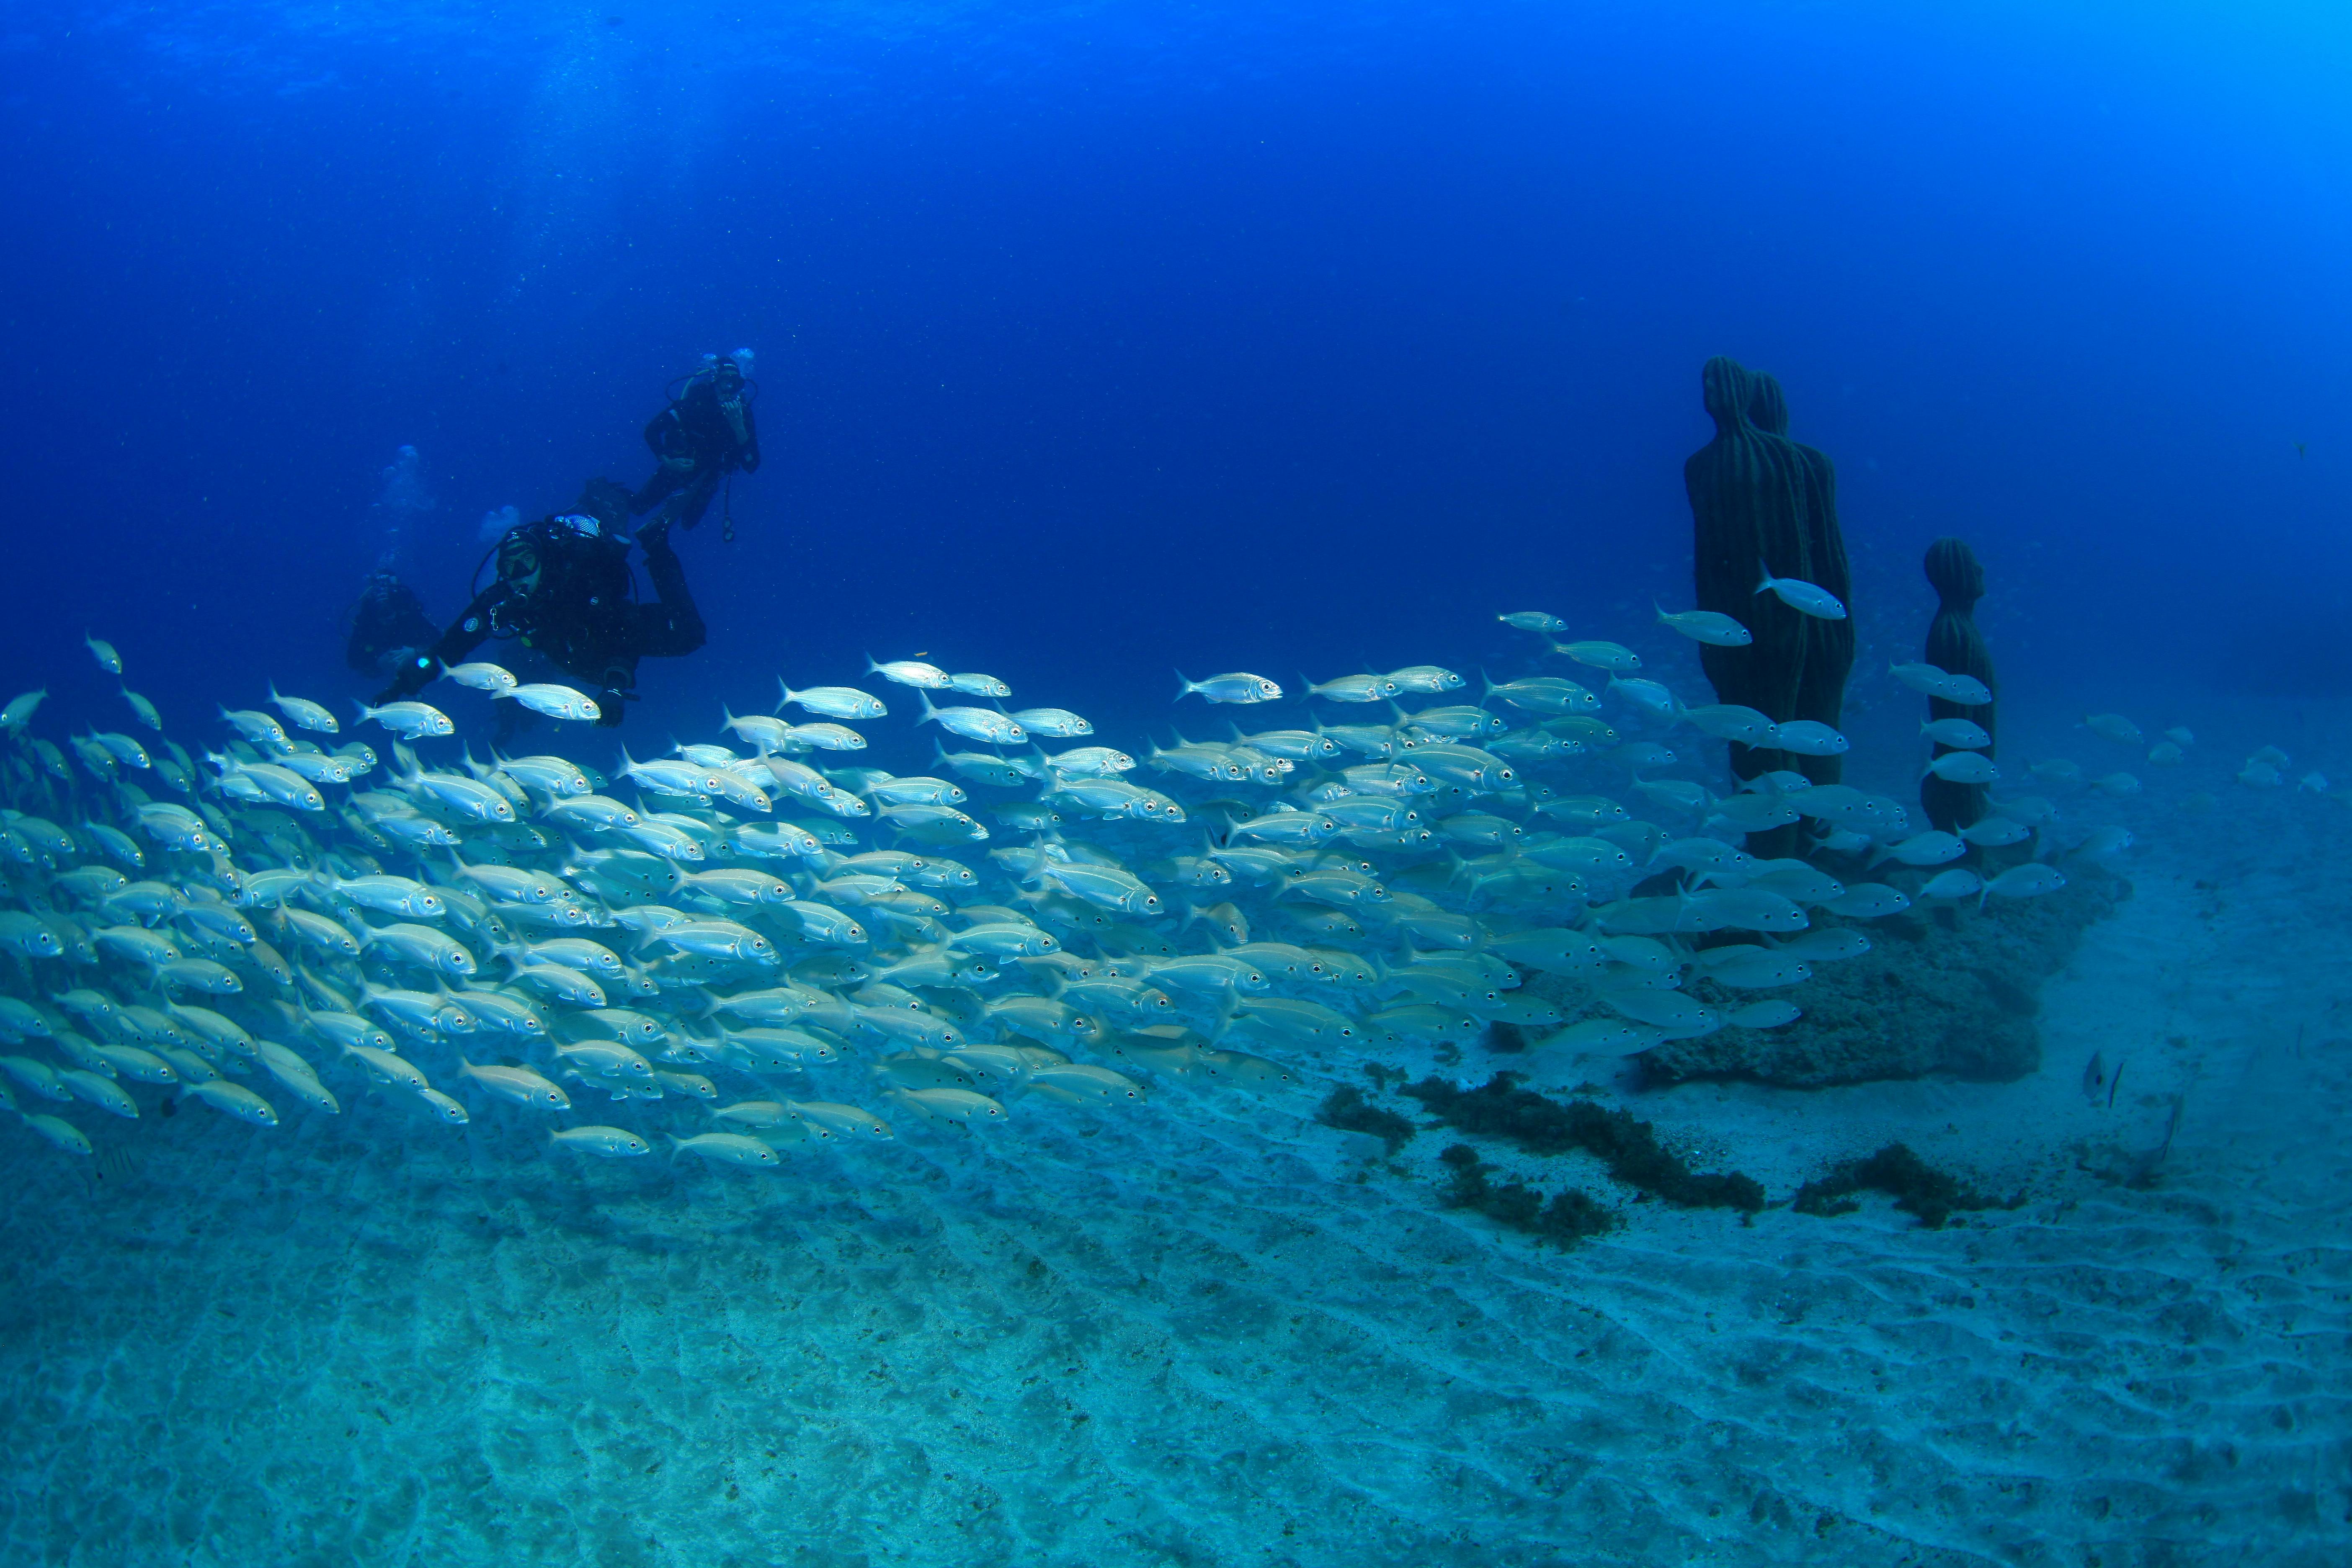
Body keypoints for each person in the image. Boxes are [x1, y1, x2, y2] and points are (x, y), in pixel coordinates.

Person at [372, 479, 705, 729]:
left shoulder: (578, 581)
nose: (518, 575)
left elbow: (623, 633)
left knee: (691, 634)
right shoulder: (500, 601)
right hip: (567, 652)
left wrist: (616, 687)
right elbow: (450, 648)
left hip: (608, 628)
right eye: (509, 567)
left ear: (543, 561)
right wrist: (403, 685)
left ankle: (656, 543)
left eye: (526, 563)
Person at [632, 350, 761, 536]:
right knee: (639, 507)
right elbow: (652, 431)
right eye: (725, 382)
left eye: (736, 384)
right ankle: (601, 497)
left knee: (688, 524)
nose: (730, 389)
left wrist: (739, 427)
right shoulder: (694, 404)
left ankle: (659, 528)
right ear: (714, 382)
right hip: (677, 468)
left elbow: (752, 465)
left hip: (708, 477)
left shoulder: (743, 414)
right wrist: (667, 460)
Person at [346, 570, 442, 681]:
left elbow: (440, 641)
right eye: (382, 613)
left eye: (390, 612)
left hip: (418, 675)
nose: (387, 618)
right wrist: (377, 662)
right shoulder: (367, 622)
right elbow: (353, 660)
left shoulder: (410, 616)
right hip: (382, 680)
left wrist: (416, 652)